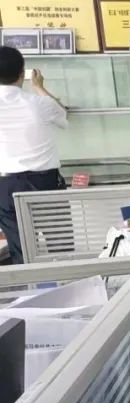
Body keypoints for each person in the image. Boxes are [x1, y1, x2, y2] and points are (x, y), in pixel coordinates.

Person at [0, 46, 68, 264]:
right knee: (61, 247)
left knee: (21, 252)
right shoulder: (38, 103)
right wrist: (39, 87)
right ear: (23, 73)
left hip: (6, 186)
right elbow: (62, 115)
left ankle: (28, 284)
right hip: (45, 183)